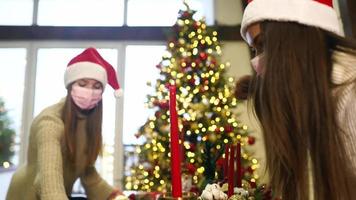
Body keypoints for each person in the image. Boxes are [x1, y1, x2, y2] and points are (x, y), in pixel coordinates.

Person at [237, 0, 356, 199]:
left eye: (262, 45)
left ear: (290, 38)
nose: (257, 63)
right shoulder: (309, 98)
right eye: (254, 50)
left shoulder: (350, 92)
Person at [6, 47, 127, 200]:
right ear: (70, 86)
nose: (90, 91)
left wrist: (114, 197)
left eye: (97, 86)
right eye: (82, 84)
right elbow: (49, 179)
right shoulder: (49, 122)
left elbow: (87, 173)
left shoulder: (88, 124)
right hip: (28, 195)